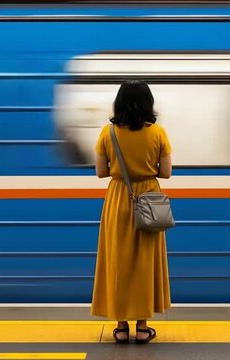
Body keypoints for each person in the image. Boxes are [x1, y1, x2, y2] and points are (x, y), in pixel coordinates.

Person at [90, 80, 172, 344]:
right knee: (145, 263)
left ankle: (121, 326)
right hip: (148, 198)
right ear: (148, 103)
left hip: (118, 199)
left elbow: (102, 172)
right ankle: (143, 327)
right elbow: (166, 172)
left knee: (119, 261)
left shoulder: (107, 133)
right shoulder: (158, 133)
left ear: (119, 103)